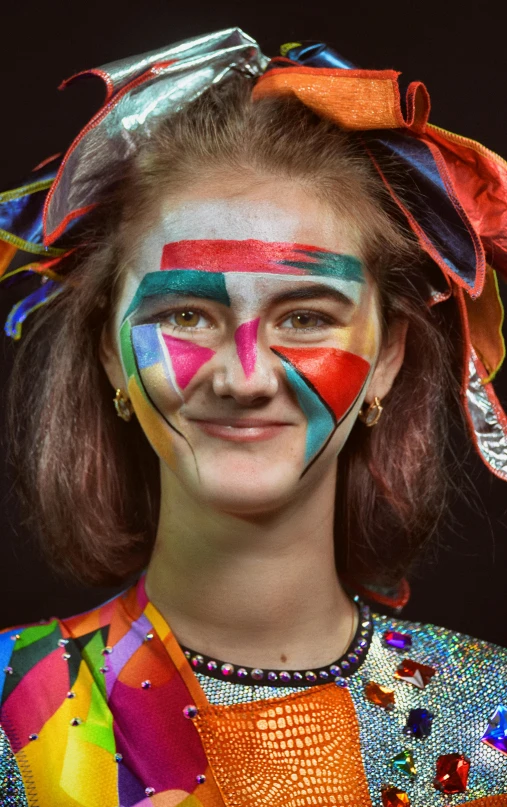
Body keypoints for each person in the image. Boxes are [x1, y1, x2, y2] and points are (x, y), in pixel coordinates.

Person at [0, 28, 506, 807]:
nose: (244, 375)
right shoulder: (13, 715)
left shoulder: (488, 721)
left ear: (389, 356)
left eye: (305, 317)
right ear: (107, 350)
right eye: (188, 313)